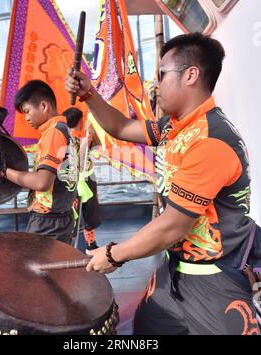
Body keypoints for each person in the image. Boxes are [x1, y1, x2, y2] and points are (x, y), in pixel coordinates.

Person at [65, 33, 260, 335]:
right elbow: (121, 126)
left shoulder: (211, 139)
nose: (155, 83)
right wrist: (89, 94)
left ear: (191, 75)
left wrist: (114, 254)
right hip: (173, 271)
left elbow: (172, 225)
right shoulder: (174, 126)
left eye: (161, 74)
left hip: (216, 281)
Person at [0, 80, 77, 244]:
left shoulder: (53, 133)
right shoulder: (65, 131)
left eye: (27, 111)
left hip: (49, 222)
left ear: (43, 106)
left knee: (35, 268)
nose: (26, 118)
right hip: (61, 217)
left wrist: (1, 170)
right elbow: (53, 181)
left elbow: (42, 183)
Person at [62, 107, 102, 254]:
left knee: (74, 215)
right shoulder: (80, 140)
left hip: (69, 183)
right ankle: (90, 245)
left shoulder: (63, 139)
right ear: (80, 121)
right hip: (85, 179)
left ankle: (74, 246)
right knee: (89, 214)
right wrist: (88, 139)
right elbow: (96, 148)